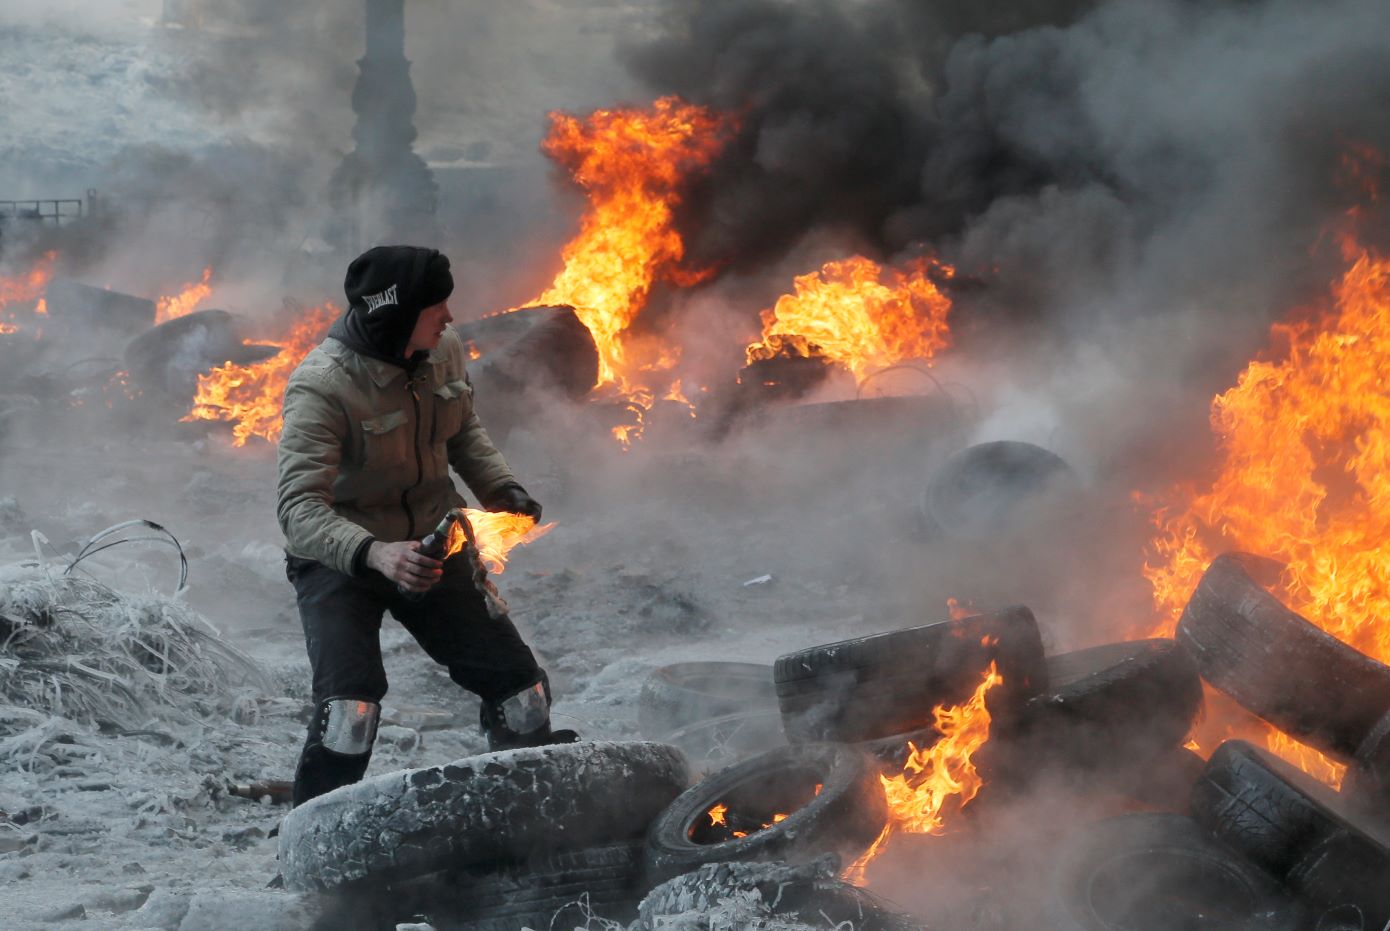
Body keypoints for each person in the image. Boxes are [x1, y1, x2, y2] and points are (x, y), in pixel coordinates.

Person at [276, 244, 575, 807]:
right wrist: (376, 553)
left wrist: (500, 488)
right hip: (341, 558)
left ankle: (525, 819)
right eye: (436, 307)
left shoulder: (443, 351)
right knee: (349, 714)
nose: (450, 318)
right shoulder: (321, 385)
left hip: (435, 542)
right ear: (393, 315)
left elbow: (463, 432)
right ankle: (306, 846)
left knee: (523, 695)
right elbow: (299, 511)